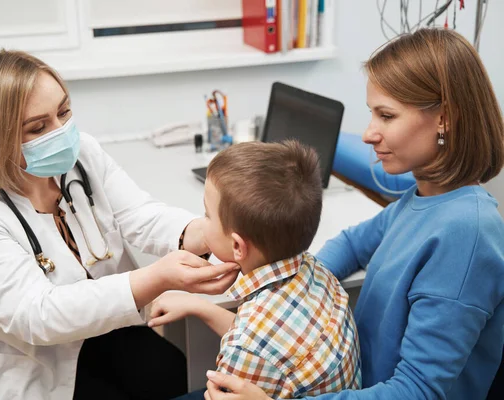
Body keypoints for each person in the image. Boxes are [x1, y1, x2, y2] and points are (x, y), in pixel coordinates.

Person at [0, 50, 240, 400]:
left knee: (169, 371)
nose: (61, 132)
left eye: (64, 111)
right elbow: (35, 315)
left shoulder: (80, 155)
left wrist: (208, 233)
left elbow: (141, 215)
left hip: (95, 328)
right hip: (19, 361)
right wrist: (157, 277)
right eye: (38, 127)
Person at [202, 28, 504, 400]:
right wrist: (294, 295)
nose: (368, 134)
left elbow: (418, 391)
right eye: (371, 114)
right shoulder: (424, 197)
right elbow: (351, 244)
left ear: (444, 119)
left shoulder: (466, 235)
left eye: (387, 116)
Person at [149, 140, 361, 398]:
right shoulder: (313, 270)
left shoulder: (244, 347)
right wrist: (199, 307)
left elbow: (250, 347)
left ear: (237, 246)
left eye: (207, 215)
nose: (202, 221)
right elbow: (267, 340)